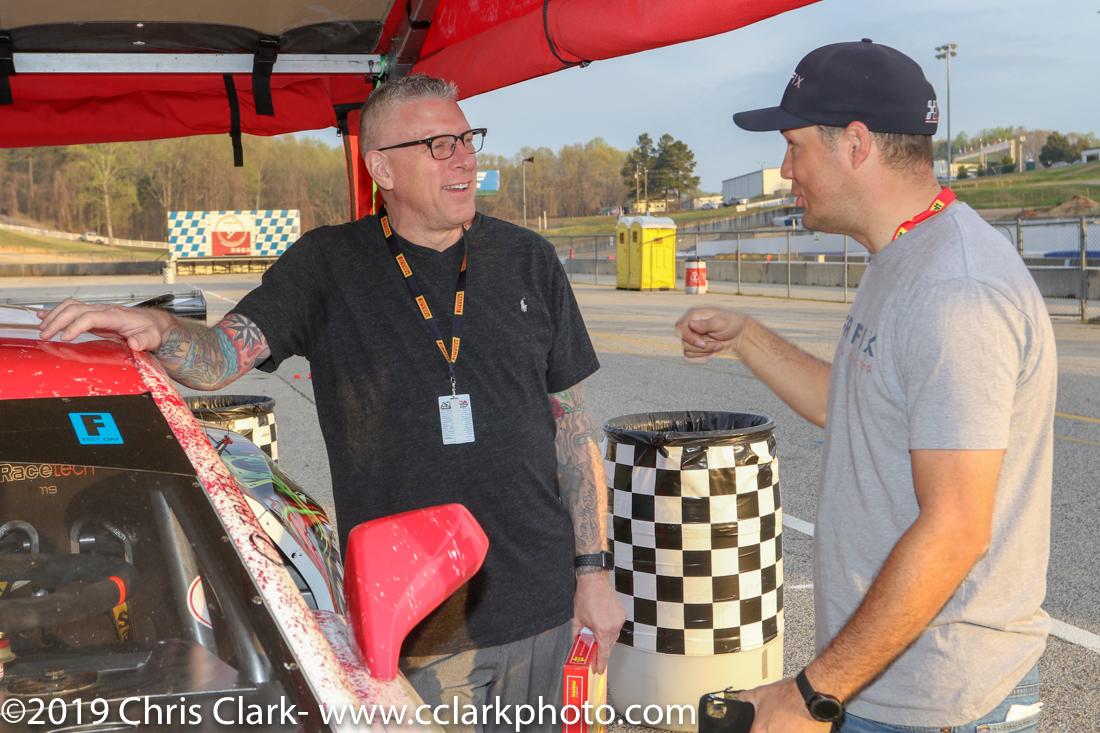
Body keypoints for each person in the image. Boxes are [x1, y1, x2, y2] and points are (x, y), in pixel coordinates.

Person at [39, 74, 625, 731]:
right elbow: (221, 356)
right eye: (439, 144)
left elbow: (573, 428)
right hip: (415, 620)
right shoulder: (327, 265)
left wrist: (594, 574)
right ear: (382, 168)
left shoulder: (529, 260)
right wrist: (160, 329)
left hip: (544, 606)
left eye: (467, 139)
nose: (465, 158)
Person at [675, 40, 1055, 733]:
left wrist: (812, 694)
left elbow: (956, 528)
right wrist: (746, 336)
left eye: (794, 147)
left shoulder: (957, 290)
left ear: (855, 144)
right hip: (884, 684)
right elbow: (854, 407)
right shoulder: (903, 255)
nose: (785, 170)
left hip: (941, 700)